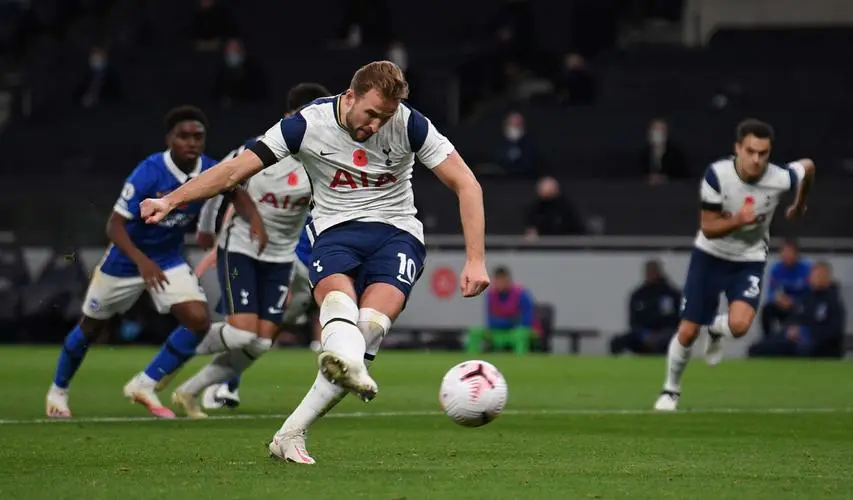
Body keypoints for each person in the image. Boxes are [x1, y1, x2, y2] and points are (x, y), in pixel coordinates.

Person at [137, 61, 490, 463]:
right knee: (340, 310)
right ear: (350, 96)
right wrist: (170, 200)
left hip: (396, 233)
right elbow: (233, 171)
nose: (377, 124)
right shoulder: (306, 124)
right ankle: (340, 374)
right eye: (371, 113)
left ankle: (293, 430)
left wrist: (475, 260)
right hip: (335, 231)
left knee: (370, 328)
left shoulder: (410, 124)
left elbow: (466, 183)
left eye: (385, 116)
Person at [45, 106, 258, 418]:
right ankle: (58, 391)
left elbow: (234, 191)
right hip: (125, 260)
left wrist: (255, 221)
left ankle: (145, 383)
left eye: (198, 136)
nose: (191, 142)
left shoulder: (209, 168)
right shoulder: (149, 171)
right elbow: (114, 226)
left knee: (198, 320)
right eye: (183, 136)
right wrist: (142, 263)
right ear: (169, 139)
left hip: (167, 259)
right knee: (91, 327)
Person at [161, 83, 330, 418]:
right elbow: (222, 181)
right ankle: (168, 368)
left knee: (260, 340)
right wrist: (207, 229)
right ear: (289, 116)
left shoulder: (322, 161)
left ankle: (191, 390)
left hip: (284, 257)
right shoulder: (262, 148)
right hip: (243, 249)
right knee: (242, 331)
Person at [654, 118, 815, 412]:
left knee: (739, 326)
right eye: (750, 151)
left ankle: (716, 329)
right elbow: (708, 227)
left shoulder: (780, 178)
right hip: (710, 255)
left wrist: (800, 203)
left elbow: (808, 167)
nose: (756, 159)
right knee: (688, 331)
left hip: (748, 258)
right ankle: (671, 390)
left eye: (763, 153)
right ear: (738, 148)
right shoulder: (717, 176)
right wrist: (739, 220)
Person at [749, 261, 845, 358]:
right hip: (795, 341)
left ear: (827, 278)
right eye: (813, 275)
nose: (815, 278)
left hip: (819, 345)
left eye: (819, 275)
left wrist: (805, 333)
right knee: (757, 348)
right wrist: (791, 330)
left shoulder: (833, 300)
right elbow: (794, 318)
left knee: (803, 349)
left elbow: (834, 331)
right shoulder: (807, 298)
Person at [609, 260, 681, 356]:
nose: (650, 274)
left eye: (653, 271)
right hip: (643, 334)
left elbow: (678, 320)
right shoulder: (638, 295)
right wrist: (645, 335)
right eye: (648, 272)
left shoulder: (672, 294)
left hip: (665, 334)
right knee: (617, 342)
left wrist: (661, 335)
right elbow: (633, 321)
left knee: (666, 342)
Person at [465, 266, 537, 354]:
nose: (500, 283)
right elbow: (490, 321)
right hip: (497, 331)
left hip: (516, 331)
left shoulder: (522, 294)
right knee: (475, 333)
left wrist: (507, 322)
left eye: (502, 280)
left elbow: (526, 320)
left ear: (508, 280)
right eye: (497, 280)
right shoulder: (490, 295)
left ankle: (520, 360)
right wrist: (511, 320)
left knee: (521, 335)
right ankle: (472, 360)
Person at [760, 238, 811, 337]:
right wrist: (778, 299)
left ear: (796, 254)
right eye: (784, 252)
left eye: (790, 252)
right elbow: (771, 291)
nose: (787, 255)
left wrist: (793, 301)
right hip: (782, 304)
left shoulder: (806, 269)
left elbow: (810, 292)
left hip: (800, 305)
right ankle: (767, 339)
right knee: (767, 310)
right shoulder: (776, 269)